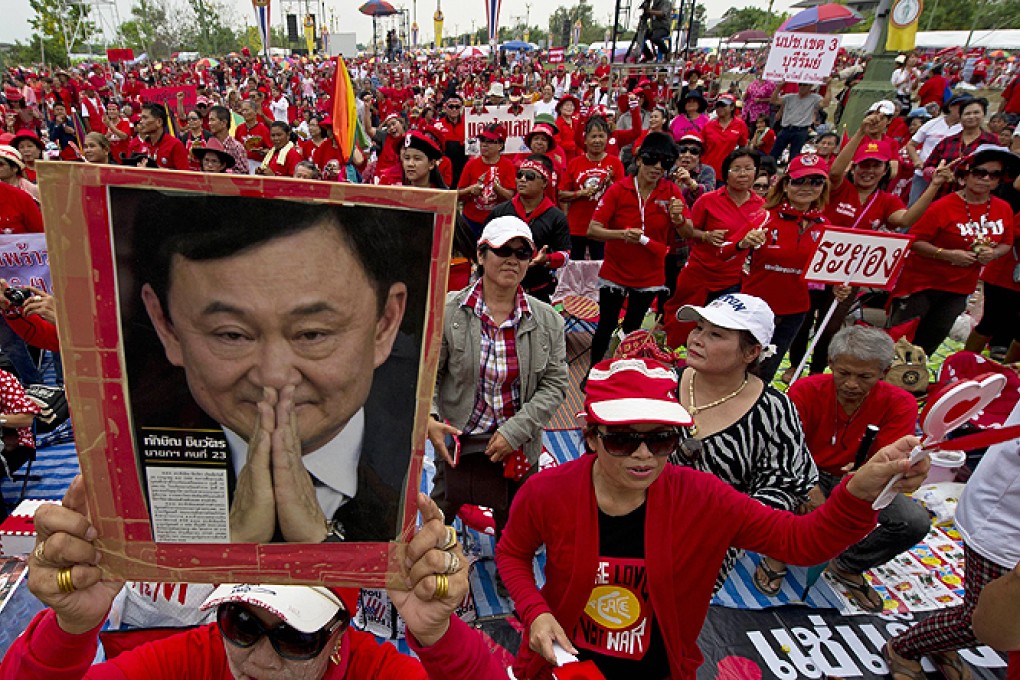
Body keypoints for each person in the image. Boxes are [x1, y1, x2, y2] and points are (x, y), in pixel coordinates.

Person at [496, 355, 930, 679]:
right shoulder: (546, 491)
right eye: (624, 441)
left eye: (662, 439)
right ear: (590, 436)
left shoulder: (703, 498)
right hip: (562, 661)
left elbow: (802, 542)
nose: (644, 455)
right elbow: (513, 553)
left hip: (660, 666)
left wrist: (859, 493)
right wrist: (535, 611)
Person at [130, 193, 423, 543]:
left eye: (312, 334)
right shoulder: (125, 478)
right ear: (166, 325)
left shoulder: (412, 458)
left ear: (386, 323)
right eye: (232, 335)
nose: (273, 375)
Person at [1, 480, 509, 679]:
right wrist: (69, 631)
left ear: (339, 634)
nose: (261, 659)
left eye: (295, 636)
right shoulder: (190, 660)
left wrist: (442, 639)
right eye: (241, 620)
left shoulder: (377, 673)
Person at [759, 326, 929, 607]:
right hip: (801, 471)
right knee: (770, 490)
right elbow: (783, 448)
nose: (852, 384)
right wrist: (808, 485)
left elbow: (888, 460)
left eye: (865, 377)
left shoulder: (900, 402)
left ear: (884, 373)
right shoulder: (806, 389)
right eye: (843, 373)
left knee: (913, 522)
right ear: (831, 364)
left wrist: (858, 482)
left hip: (860, 478)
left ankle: (848, 564)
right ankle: (777, 553)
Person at [427, 217, 567, 549]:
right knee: (438, 514)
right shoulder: (449, 312)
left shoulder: (548, 320)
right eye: (503, 250)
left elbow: (556, 384)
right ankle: (426, 570)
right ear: (480, 255)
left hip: (517, 440)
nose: (512, 259)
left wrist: (515, 431)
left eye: (522, 253)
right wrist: (430, 421)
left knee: (516, 520)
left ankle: (509, 576)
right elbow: (428, 376)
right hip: (460, 439)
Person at [785, 115, 953, 381]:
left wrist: (933, 187)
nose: (869, 171)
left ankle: (817, 370)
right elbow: (835, 172)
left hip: (848, 274)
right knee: (803, 319)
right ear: (855, 167)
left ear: (885, 169)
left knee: (831, 326)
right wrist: (861, 132)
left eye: (876, 165)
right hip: (814, 266)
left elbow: (906, 220)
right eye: (864, 165)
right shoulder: (839, 188)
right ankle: (795, 364)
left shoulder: (887, 200)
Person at [668, 293, 818, 592]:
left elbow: (784, 486)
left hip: (710, 546)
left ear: (751, 352)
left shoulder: (774, 410)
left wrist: (726, 525)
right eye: (698, 328)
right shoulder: (664, 383)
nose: (696, 339)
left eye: (716, 334)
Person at [885, 400, 1020, 680]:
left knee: (986, 609)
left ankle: (940, 643)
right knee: (986, 621)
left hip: (1006, 519)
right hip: (1004, 524)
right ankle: (903, 648)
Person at [890, 145, 1019, 355]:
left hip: (960, 288)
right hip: (922, 284)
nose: (986, 179)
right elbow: (913, 240)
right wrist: (946, 254)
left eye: (995, 175)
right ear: (964, 176)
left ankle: (913, 383)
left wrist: (993, 254)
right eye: (980, 173)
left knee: (933, 337)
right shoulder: (943, 206)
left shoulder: (1002, 208)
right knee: (902, 338)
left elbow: (1006, 242)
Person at [587, 132, 690, 368]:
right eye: (652, 159)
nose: (657, 167)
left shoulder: (671, 191)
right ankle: (593, 371)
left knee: (632, 328)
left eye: (664, 163)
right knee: (606, 324)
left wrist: (678, 219)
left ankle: (621, 372)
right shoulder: (619, 189)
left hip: (649, 275)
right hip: (615, 272)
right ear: (640, 159)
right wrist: (622, 235)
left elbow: (687, 232)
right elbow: (593, 229)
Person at [740, 153, 834, 381]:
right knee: (741, 366)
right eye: (799, 180)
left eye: (815, 181)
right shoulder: (763, 217)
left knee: (767, 372)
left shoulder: (825, 227)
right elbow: (730, 252)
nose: (807, 187)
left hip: (794, 311)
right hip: (755, 307)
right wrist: (744, 242)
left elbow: (828, 270)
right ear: (786, 184)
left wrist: (839, 285)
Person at [663, 148, 767, 349]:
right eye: (736, 169)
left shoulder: (762, 208)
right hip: (698, 273)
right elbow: (688, 232)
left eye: (748, 168)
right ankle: (671, 360)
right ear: (726, 173)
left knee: (720, 330)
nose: (743, 174)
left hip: (730, 279)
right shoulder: (708, 200)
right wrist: (705, 235)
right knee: (681, 322)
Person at [559, 115, 626, 261]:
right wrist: (580, 193)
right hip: (576, 227)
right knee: (574, 268)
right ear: (585, 139)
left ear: (607, 138)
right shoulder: (574, 163)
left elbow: (622, 197)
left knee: (600, 268)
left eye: (601, 136)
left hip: (604, 228)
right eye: (593, 136)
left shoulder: (615, 163)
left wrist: (610, 186)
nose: (597, 141)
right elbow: (561, 194)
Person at [457, 124, 516, 237]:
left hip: (497, 222)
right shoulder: (471, 164)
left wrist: (496, 187)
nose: (484, 144)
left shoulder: (508, 166)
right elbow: (458, 194)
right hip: (471, 220)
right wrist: (470, 190)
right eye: (482, 140)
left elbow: (511, 197)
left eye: (489, 141)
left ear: (500, 145)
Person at [769, 80, 832, 163]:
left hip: (801, 130)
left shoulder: (815, 98)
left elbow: (825, 103)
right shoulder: (790, 97)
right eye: (800, 84)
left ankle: (790, 174)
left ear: (810, 86)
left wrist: (829, 86)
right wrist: (779, 87)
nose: (801, 87)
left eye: (805, 85)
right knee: (774, 153)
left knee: (794, 156)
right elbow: (773, 100)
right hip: (786, 128)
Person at [126, 103, 189, 171]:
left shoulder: (175, 145)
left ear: (159, 122)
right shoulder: (143, 144)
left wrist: (157, 171)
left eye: (145, 118)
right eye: (141, 118)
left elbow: (185, 177)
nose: (141, 122)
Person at [701, 95, 748, 180]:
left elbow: (743, 147)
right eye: (718, 106)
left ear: (732, 107)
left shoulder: (740, 125)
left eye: (723, 105)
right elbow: (701, 147)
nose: (719, 108)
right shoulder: (709, 125)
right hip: (707, 170)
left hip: (727, 171)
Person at [206, 105, 249, 175]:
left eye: (212, 120)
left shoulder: (236, 147)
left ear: (223, 123)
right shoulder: (208, 143)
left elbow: (244, 174)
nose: (209, 123)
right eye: (209, 120)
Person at [234, 99, 271, 174]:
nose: (244, 113)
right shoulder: (239, 128)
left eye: (247, 110)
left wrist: (261, 151)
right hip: (241, 164)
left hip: (257, 165)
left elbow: (271, 150)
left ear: (255, 111)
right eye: (243, 111)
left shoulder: (263, 129)